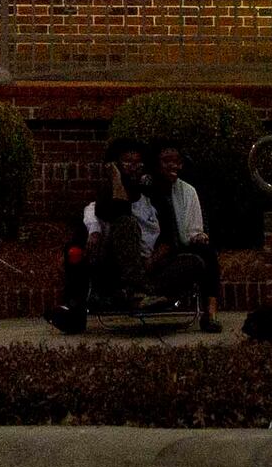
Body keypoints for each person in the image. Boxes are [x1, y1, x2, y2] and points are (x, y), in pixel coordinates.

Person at [48, 147, 157, 334]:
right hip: (108, 257)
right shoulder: (108, 194)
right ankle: (73, 309)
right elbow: (103, 209)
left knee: (125, 224)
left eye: (138, 163)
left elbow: (130, 220)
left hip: (136, 259)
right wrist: (93, 232)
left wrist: (148, 255)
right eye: (127, 163)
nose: (133, 168)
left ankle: (135, 291)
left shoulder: (149, 199)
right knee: (75, 250)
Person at [147, 143, 220, 332]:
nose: (173, 166)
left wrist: (197, 238)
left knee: (208, 253)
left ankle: (210, 313)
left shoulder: (187, 191)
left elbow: (191, 231)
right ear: (156, 164)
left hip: (178, 247)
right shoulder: (145, 187)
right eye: (166, 161)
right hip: (150, 249)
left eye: (177, 161)